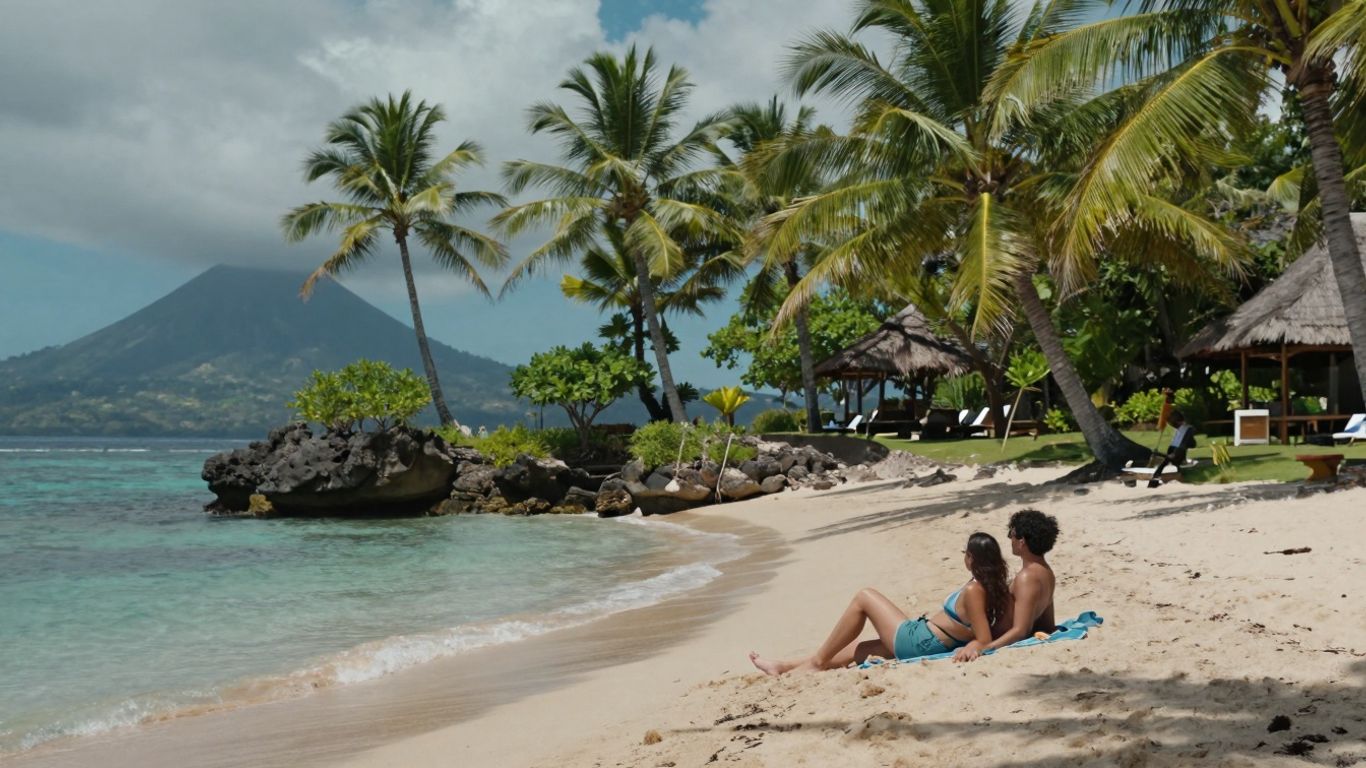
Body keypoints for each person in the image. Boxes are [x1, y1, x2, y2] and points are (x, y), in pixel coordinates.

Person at [748, 532, 1011, 674]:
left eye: (966, 553)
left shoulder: (976, 589)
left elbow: (983, 636)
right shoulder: (986, 584)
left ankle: (815, 663)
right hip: (923, 637)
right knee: (857, 649)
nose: (964, 557)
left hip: (919, 642)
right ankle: (783, 666)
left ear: (972, 558)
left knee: (864, 596)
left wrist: (973, 647)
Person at [952, 509, 1059, 662]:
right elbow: (1048, 625)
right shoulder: (1047, 572)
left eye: (1011, 534)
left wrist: (987, 647)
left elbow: (1020, 630)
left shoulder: (1027, 577)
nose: (1010, 539)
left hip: (993, 637)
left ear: (1022, 542)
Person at [1148, 410, 1196, 488]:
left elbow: (1184, 444)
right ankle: (1154, 482)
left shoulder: (1188, 429)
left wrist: (1174, 453)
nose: (1172, 425)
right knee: (1164, 463)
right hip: (1173, 449)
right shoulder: (1180, 428)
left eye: (1173, 423)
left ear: (1178, 421)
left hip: (1177, 452)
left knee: (1164, 464)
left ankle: (1154, 482)